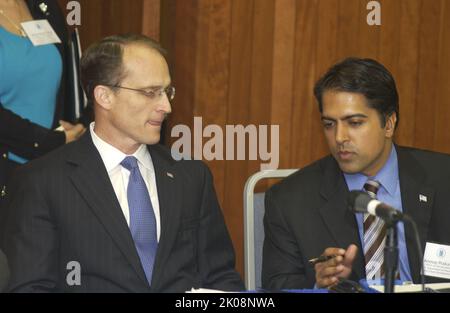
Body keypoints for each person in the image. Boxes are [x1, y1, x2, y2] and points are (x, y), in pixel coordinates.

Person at [2, 34, 244, 292]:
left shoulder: (191, 176)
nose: (166, 106)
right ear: (104, 96)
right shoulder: (43, 182)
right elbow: (30, 287)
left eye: (167, 92)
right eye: (150, 93)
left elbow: (221, 279)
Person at [262, 57, 450, 290]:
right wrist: (318, 285)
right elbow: (275, 288)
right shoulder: (289, 201)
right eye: (329, 124)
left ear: (389, 123)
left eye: (354, 122)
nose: (340, 137)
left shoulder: (444, 179)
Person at [0, 0, 86, 199]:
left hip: (49, 166)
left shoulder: (44, 6)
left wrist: (70, 131)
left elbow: (64, 85)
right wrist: (46, 141)